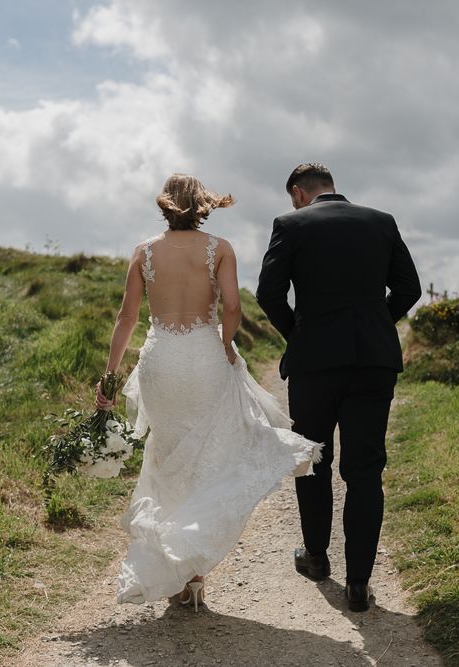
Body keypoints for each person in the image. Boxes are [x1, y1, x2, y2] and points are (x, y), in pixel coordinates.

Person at [96, 173, 321, 611]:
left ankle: (182, 569)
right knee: (207, 460)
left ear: (165, 205)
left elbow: (126, 318)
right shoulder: (220, 249)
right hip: (204, 359)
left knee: (166, 458)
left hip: (160, 362)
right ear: (203, 205)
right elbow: (233, 307)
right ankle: (193, 570)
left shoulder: (144, 251)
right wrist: (225, 346)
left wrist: (108, 374)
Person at [256, 163, 422, 612]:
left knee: (314, 460)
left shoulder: (290, 224)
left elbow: (268, 294)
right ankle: (359, 583)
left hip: (314, 365)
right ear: (332, 187)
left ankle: (315, 558)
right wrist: (375, 326)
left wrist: (302, 336)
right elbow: (410, 287)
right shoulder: (380, 221)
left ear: (298, 192)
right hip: (373, 362)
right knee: (365, 470)